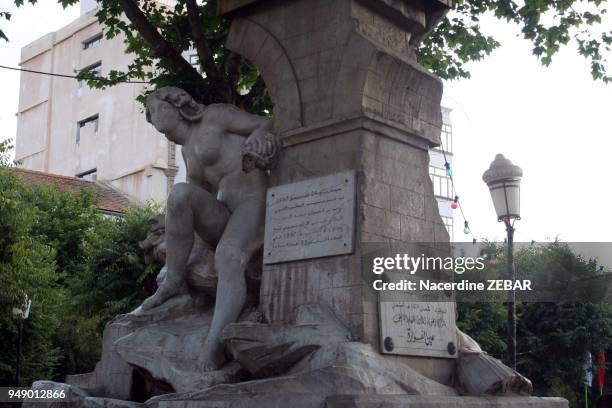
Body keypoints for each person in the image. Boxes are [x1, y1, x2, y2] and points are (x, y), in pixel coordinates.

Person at [142, 86, 277, 370]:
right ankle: (174, 280)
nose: (150, 119)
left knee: (227, 256)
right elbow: (195, 201)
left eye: (153, 110)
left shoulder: (215, 116)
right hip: (227, 210)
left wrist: (257, 141)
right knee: (179, 194)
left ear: (173, 106)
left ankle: (215, 346)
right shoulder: (186, 150)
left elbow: (265, 123)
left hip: (254, 199)